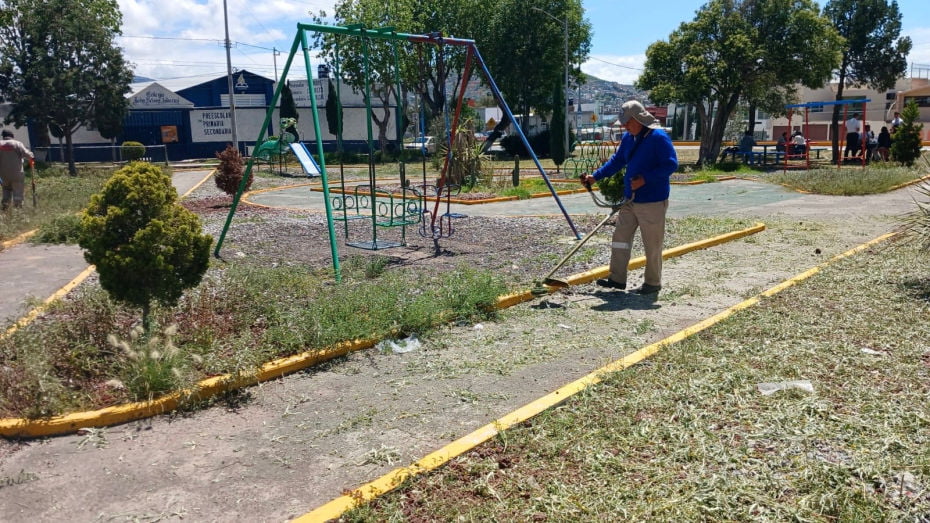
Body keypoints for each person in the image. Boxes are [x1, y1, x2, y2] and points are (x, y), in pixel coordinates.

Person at [580, 100, 678, 295]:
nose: (625, 126)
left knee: (652, 243)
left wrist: (645, 179)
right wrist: (595, 177)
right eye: (624, 124)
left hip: (652, 201)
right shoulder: (628, 138)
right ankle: (617, 279)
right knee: (620, 238)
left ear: (639, 119)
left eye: (628, 123)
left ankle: (652, 282)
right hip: (630, 200)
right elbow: (617, 161)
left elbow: (670, 165)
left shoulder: (658, 138)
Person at [0, 129, 34, 210]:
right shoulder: (17, 143)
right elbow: (28, 155)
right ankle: (18, 209)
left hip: (3, 175)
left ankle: (5, 207)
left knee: (6, 190)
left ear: (3, 136)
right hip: (17, 173)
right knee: (18, 191)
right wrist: (32, 156)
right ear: (12, 136)